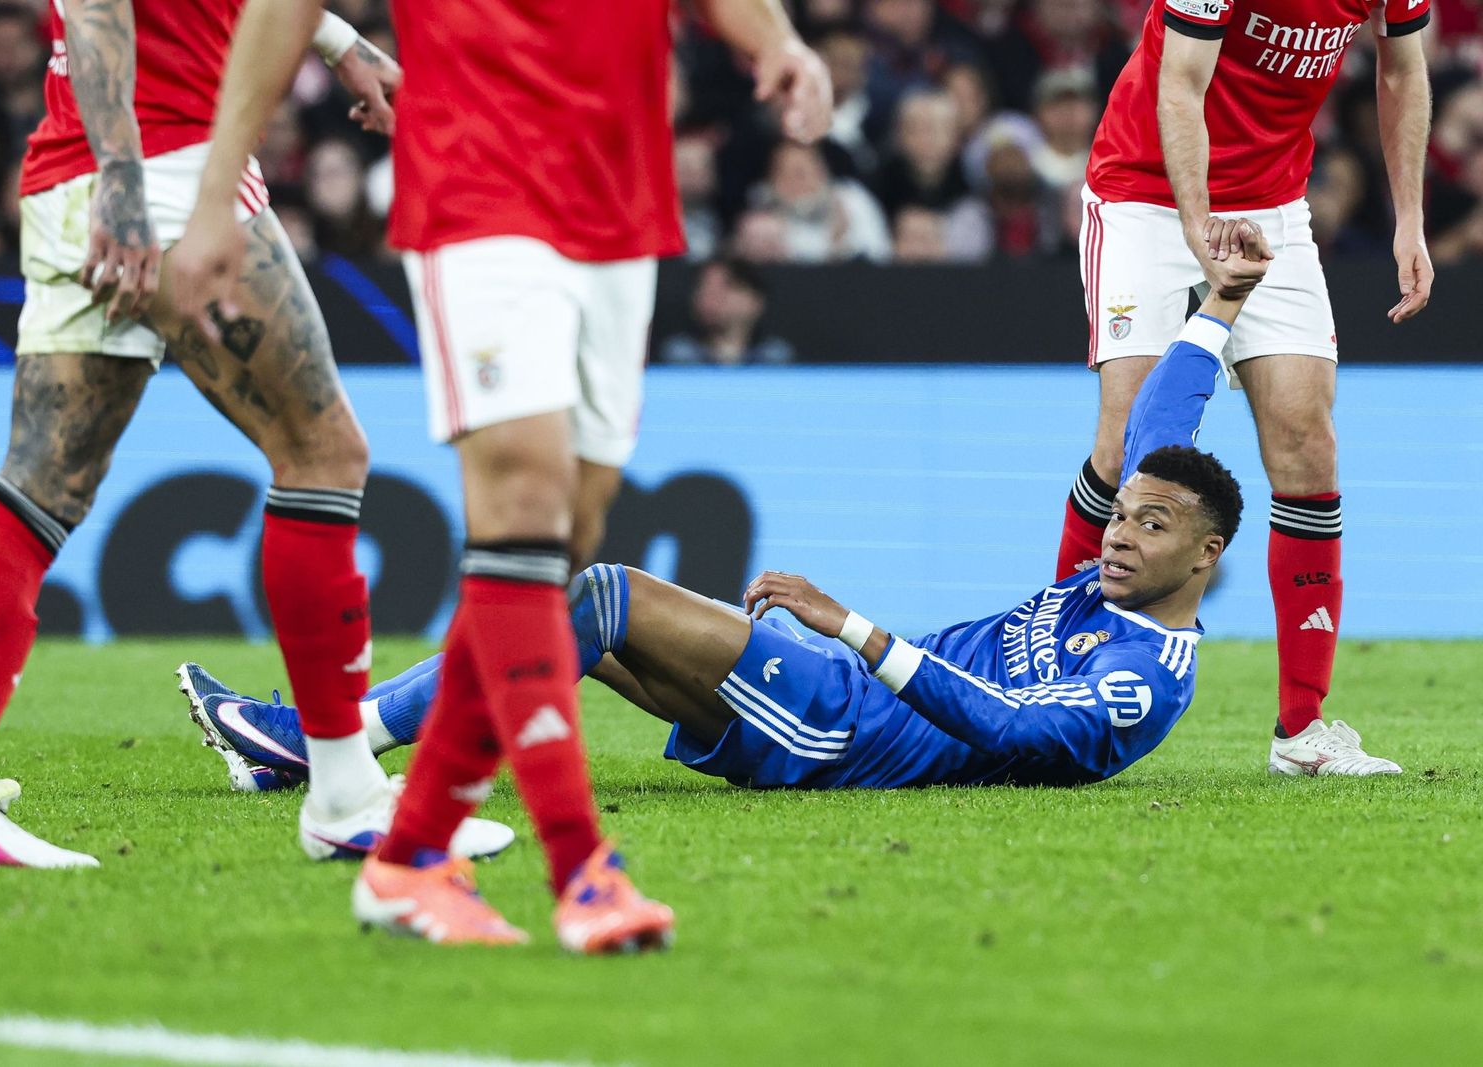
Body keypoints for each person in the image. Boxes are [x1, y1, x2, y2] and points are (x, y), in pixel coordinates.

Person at [181, 223, 1268, 824]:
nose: (1118, 532)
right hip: (837, 702)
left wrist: (853, 628)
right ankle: (330, 749)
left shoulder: (1143, 675)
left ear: (1205, 556)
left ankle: (328, 745)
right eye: (1124, 515)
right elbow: (1158, 425)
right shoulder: (1111, 577)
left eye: (1150, 525)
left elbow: (1015, 731)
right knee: (575, 616)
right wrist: (1218, 305)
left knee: (602, 594)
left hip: (848, 730)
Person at [169, 0, 832, 952]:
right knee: (522, 501)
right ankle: (581, 866)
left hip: (619, 194)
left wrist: (775, 40)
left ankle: (408, 854)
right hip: (478, 180)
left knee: (565, 540)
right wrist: (214, 190)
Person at [0, 0, 512, 870]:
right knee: (323, 455)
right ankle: (345, 795)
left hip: (82, 169)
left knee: (40, 487)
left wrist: (337, 43)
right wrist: (124, 177)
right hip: (165, 167)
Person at [1057, 0, 1435, 776]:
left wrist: (1410, 218)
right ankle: (1058, 684)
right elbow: (1180, 83)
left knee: (1308, 443)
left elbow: (1403, 69)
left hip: (1273, 205)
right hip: (1146, 194)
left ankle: (1302, 728)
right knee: (1130, 447)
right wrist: (1200, 230)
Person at [657, 256, 796, 366]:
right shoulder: (680, 357)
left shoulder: (774, 358)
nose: (710, 297)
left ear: (756, 300)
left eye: (725, 288)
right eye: (704, 288)